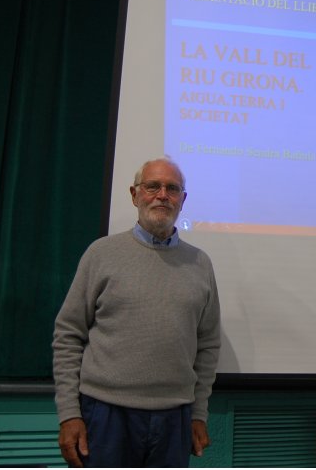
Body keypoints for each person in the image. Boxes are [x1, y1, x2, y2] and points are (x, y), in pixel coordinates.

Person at [52, 157, 221, 467]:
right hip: (105, 415)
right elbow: (68, 335)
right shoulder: (101, 254)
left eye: (172, 188)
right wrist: (69, 414)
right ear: (135, 195)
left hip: (176, 419)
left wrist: (198, 413)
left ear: (183, 200)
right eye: (152, 186)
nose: (162, 195)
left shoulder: (200, 264)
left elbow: (208, 344)